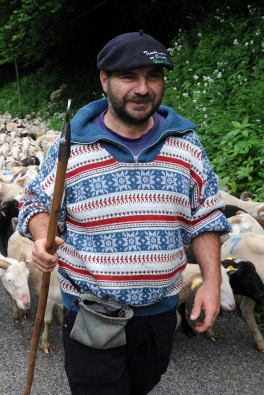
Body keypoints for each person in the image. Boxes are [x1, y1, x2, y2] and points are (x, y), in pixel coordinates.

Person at [18, 31, 231, 395]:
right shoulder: (73, 145)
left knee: (143, 385)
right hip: (92, 313)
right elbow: (36, 201)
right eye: (129, 77)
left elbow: (205, 216)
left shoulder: (185, 143)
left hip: (160, 312)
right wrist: (42, 236)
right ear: (105, 80)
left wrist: (212, 280)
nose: (143, 88)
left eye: (153, 76)